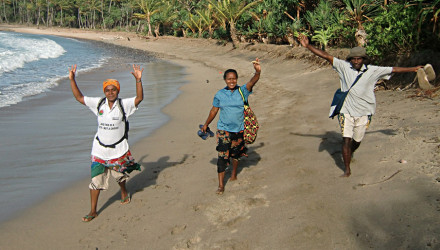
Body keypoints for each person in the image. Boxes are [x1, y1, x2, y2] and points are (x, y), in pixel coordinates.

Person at [298, 34, 423, 177]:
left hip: (364, 111)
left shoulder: (373, 70)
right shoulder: (343, 67)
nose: (356, 61)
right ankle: (347, 169)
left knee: (356, 140)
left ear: (363, 60)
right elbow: (326, 56)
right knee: (346, 139)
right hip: (346, 110)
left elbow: (393, 69)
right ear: (350, 60)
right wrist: (308, 46)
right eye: (353, 59)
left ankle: (351, 151)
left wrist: (413, 69)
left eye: (359, 59)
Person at [69, 64, 144, 222]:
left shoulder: (124, 105)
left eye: (113, 90)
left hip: (118, 150)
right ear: (104, 91)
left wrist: (138, 80)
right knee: (96, 180)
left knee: (119, 175)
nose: (110, 92)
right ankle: (93, 210)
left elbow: (139, 98)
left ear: (118, 91)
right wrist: (72, 80)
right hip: (99, 151)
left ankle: (123, 191)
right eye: (107, 90)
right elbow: (79, 98)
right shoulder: (98, 104)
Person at [201, 58, 261, 194]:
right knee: (222, 156)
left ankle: (233, 174)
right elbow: (214, 110)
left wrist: (257, 73)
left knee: (235, 154)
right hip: (223, 130)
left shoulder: (243, 91)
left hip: (239, 130)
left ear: (237, 79)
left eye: (234, 79)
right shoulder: (220, 94)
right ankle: (221, 185)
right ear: (225, 80)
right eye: (229, 79)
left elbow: (252, 82)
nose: (232, 81)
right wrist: (206, 124)